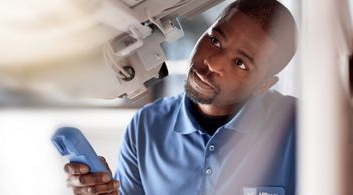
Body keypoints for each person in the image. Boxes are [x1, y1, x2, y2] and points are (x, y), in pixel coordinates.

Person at [64, 0, 298, 194]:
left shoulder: (302, 128)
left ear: (264, 85)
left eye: (240, 63)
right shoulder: (145, 126)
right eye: (215, 40)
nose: (212, 63)